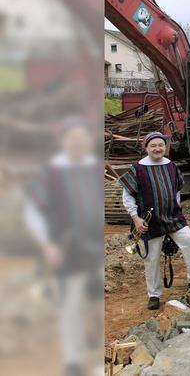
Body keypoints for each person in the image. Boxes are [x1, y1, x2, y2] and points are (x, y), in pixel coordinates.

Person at [24, 118, 103, 376]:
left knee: (95, 301)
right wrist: (47, 245)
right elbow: (32, 212)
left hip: (95, 250)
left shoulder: (94, 168)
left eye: (83, 137)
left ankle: (95, 346)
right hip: (66, 250)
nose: (78, 142)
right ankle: (73, 359)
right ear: (63, 141)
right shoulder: (50, 172)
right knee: (70, 303)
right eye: (73, 137)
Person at [120, 132, 190, 310]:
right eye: (153, 145)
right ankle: (154, 295)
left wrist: (175, 207)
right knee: (152, 258)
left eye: (160, 145)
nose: (157, 148)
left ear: (165, 147)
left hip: (173, 217)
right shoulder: (137, 169)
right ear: (146, 148)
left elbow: (177, 191)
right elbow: (127, 196)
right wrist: (136, 218)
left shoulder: (171, 166)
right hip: (149, 222)